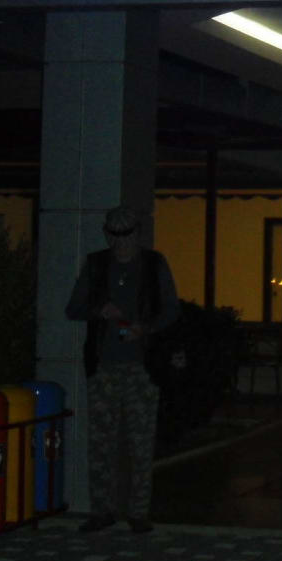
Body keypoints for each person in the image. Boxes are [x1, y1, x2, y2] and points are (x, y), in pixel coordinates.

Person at [65, 204, 180, 533]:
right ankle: (102, 510)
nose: (120, 241)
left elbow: (171, 309)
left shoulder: (154, 264)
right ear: (107, 234)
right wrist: (99, 310)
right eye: (114, 234)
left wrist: (146, 328)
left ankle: (138, 512)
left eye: (126, 234)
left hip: (142, 366)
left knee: (141, 442)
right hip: (104, 365)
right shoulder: (96, 264)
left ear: (137, 233)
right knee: (101, 441)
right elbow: (73, 308)